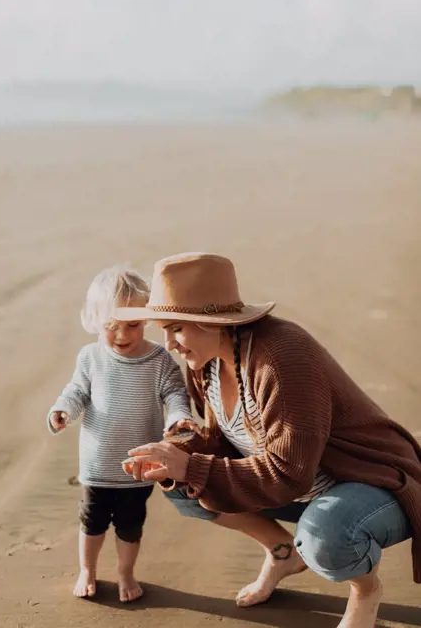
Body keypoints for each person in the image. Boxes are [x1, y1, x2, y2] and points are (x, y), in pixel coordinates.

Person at [118, 252, 421, 628]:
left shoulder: (280, 357)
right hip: (297, 487)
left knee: (324, 538)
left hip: (372, 482)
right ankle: (281, 553)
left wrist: (192, 465)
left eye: (176, 327)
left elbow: (289, 473)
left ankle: (365, 590)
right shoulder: (206, 360)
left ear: (212, 321)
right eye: (162, 329)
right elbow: (228, 443)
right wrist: (178, 455)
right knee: (182, 484)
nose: (170, 343)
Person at [47, 265, 194, 602]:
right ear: (94, 321)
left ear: (147, 319)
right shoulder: (90, 357)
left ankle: (126, 573)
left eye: (133, 325)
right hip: (97, 466)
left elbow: (175, 393)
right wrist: (62, 410)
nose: (123, 336)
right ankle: (88, 569)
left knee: (130, 525)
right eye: (111, 327)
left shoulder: (158, 360)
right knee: (92, 522)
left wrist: (178, 418)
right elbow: (76, 392)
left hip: (139, 467)